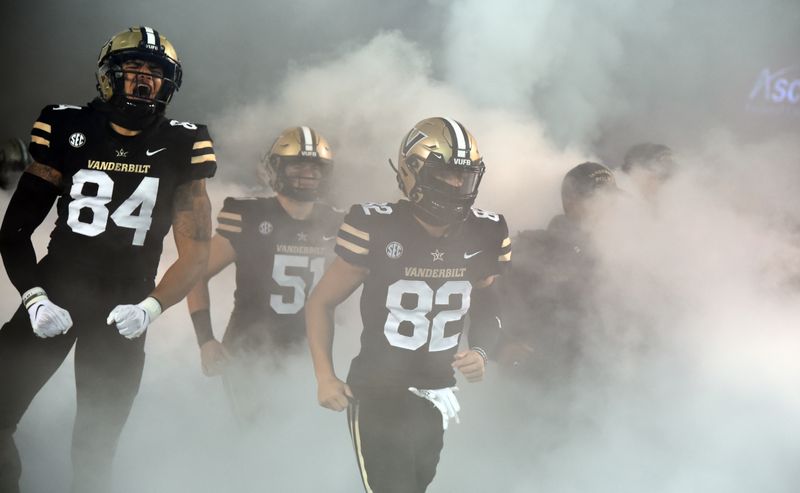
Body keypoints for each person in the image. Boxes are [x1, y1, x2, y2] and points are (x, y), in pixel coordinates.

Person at [0, 26, 216, 493]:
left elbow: (196, 251)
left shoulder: (183, 142)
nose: (144, 80)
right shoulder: (67, 125)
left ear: (169, 83)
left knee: (95, 450)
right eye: (134, 68)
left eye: (156, 73)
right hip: (57, 289)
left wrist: (151, 307)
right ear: (109, 76)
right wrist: (35, 298)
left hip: (125, 307)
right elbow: (14, 231)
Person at [306, 117, 510, 492]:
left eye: (462, 176)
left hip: (437, 394)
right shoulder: (375, 224)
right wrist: (325, 376)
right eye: (444, 173)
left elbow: (490, 303)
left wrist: (480, 351)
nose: (455, 184)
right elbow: (320, 302)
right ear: (410, 171)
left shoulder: (487, 230)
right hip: (377, 392)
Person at [186, 126, 342, 423]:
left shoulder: (338, 222)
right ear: (276, 168)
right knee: (254, 438)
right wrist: (205, 339)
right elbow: (194, 274)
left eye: (315, 167)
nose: (307, 173)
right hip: (250, 349)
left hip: (312, 354)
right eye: (297, 164)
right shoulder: (249, 216)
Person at [496, 162, 618, 385]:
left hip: (603, 382)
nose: (606, 207)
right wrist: (500, 346)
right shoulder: (534, 247)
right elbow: (481, 296)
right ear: (570, 202)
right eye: (596, 199)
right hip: (544, 383)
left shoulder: (620, 254)